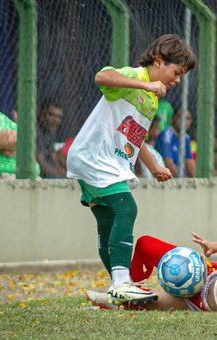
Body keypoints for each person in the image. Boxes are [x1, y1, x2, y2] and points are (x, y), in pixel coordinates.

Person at [67, 34, 197, 304]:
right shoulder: (135, 76)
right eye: (176, 72)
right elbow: (102, 77)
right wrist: (143, 84)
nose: (177, 80)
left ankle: (116, 290)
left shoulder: (151, 100)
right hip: (95, 157)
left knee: (107, 222)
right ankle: (122, 282)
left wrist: (155, 166)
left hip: (104, 161)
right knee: (127, 208)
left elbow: (136, 137)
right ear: (159, 61)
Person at [87, 232, 217, 312]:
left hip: (200, 302)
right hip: (206, 269)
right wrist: (212, 247)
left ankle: (117, 300)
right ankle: (130, 288)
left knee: (138, 302)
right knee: (145, 244)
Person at [155, 108, 195, 177]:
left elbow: (189, 162)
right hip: (165, 176)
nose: (184, 121)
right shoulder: (166, 136)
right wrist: (183, 180)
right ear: (172, 119)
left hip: (180, 176)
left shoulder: (186, 138)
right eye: (180, 117)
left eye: (187, 119)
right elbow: (169, 165)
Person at [36, 99, 66, 177]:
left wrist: (67, 175)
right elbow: (40, 163)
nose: (56, 120)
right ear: (41, 114)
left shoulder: (50, 130)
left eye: (59, 117)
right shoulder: (34, 129)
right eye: (51, 115)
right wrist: (63, 178)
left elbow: (53, 159)